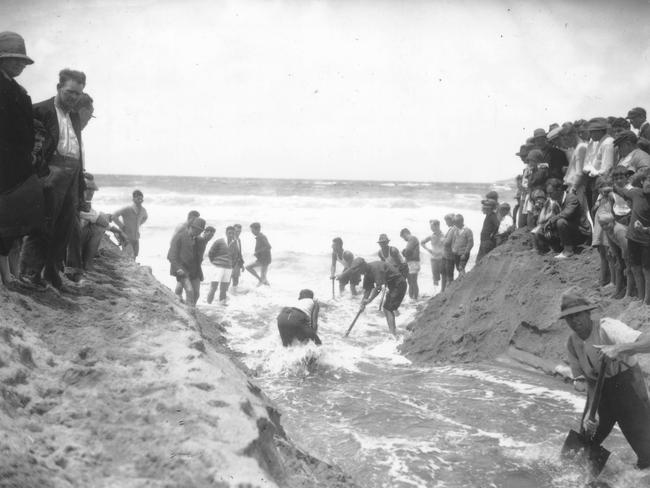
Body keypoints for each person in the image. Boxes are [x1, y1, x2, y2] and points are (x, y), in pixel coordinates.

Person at [560, 289, 650, 470]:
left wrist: (618, 348)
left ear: (588, 313)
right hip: (601, 393)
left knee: (647, 452)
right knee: (584, 442)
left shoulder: (607, 327)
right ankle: (584, 477)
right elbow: (590, 382)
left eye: (578, 315)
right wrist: (589, 413)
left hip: (628, 389)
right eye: (569, 318)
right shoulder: (572, 343)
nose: (574, 321)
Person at [19, 68, 86, 289]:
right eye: (69, 92)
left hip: (72, 173)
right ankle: (30, 272)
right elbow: (27, 145)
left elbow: (78, 149)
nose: (73, 97)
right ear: (59, 88)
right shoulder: (40, 110)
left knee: (65, 225)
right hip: (50, 171)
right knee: (43, 223)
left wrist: (80, 185)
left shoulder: (74, 115)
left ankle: (52, 272)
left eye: (78, 94)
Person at [0, 32, 45, 287]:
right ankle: (6, 276)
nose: (20, 65)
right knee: (5, 220)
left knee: (14, 222)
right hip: (4, 163)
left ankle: (11, 274)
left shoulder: (19, 90)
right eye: (13, 59)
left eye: (22, 61)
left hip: (17, 164)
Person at [340, 258, 407, 337]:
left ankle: (393, 335)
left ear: (363, 265)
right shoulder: (367, 273)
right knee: (388, 308)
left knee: (388, 309)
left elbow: (379, 288)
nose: (358, 272)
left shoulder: (375, 269)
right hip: (392, 285)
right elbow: (367, 289)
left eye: (358, 270)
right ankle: (394, 331)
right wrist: (363, 303)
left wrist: (369, 300)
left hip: (399, 284)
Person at [612, 169, 650, 304]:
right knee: (635, 268)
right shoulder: (635, 193)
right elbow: (621, 191)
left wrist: (645, 229)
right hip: (633, 238)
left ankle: (646, 301)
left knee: (647, 270)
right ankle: (640, 298)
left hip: (647, 242)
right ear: (642, 181)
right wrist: (611, 186)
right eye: (648, 181)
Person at [545, 178, 592, 259]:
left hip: (582, 233)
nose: (549, 196)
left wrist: (551, 221)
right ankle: (556, 248)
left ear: (559, 190)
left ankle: (568, 250)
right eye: (548, 193)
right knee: (547, 228)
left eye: (551, 193)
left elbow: (567, 214)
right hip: (572, 231)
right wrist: (549, 226)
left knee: (560, 222)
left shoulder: (571, 198)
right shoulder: (555, 203)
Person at [167, 217, 206, 307]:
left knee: (196, 293)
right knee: (189, 291)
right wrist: (178, 268)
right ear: (192, 227)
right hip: (182, 269)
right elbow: (171, 256)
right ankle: (189, 312)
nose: (199, 233)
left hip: (195, 271)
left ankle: (191, 308)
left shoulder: (199, 240)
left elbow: (198, 257)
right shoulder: (179, 237)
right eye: (198, 231)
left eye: (201, 231)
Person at [583, 118, 615, 212]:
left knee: (599, 211)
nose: (590, 134)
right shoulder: (598, 142)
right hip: (595, 181)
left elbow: (607, 168)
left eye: (593, 132)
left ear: (601, 131)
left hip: (602, 182)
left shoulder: (607, 143)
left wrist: (592, 171)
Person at [598, 213, 632, 299]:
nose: (604, 227)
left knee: (629, 271)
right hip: (623, 251)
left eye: (606, 224)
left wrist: (626, 264)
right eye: (602, 225)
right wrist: (618, 260)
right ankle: (617, 290)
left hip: (633, 251)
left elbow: (626, 249)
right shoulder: (607, 230)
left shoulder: (618, 230)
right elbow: (613, 246)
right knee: (617, 267)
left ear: (613, 221)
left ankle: (628, 293)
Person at [112, 189, 148, 259]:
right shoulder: (127, 209)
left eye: (141, 199)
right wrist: (121, 225)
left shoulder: (143, 210)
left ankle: (132, 268)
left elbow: (145, 217)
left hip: (136, 237)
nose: (140, 201)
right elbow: (114, 216)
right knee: (128, 256)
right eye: (138, 199)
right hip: (126, 237)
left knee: (135, 255)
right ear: (133, 199)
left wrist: (139, 224)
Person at [206, 226, 235, 305]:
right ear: (226, 233)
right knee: (213, 287)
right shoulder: (219, 241)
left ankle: (221, 307)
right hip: (218, 267)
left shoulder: (234, 243)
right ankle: (208, 305)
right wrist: (215, 263)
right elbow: (210, 253)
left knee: (224, 289)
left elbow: (235, 256)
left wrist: (232, 266)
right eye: (229, 233)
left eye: (233, 233)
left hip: (228, 268)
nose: (231, 235)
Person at [245, 222, 271, 286]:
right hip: (263, 259)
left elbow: (268, 246)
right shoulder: (260, 236)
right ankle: (265, 286)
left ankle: (260, 283)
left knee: (248, 267)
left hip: (264, 260)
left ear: (257, 229)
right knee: (264, 278)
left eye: (252, 230)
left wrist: (257, 252)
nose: (252, 232)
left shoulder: (261, 237)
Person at [420, 220, 443, 287]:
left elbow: (449, 246)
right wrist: (428, 250)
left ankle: (443, 291)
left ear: (437, 226)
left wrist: (442, 251)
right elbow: (422, 242)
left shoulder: (444, 235)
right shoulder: (431, 236)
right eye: (431, 227)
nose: (431, 228)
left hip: (442, 258)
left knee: (444, 275)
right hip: (433, 258)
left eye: (432, 227)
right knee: (435, 277)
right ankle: (435, 292)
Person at [400, 228, 420, 299]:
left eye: (403, 237)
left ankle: (415, 299)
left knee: (413, 282)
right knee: (411, 282)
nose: (404, 239)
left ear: (405, 233)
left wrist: (404, 252)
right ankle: (412, 298)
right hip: (412, 262)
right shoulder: (413, 239)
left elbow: (408, 250)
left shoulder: (412, 238)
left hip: (413, 263)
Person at [441, 214, 458, 290]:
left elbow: (447, 242)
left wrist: (443, 240)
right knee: (446, 275)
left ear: (451, 220)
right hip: (448, 255)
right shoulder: (454, 228)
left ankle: (446, 292)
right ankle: (444, 291)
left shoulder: (453, 229)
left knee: (449, 276)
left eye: (446, 221)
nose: (446, 223)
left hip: (449, 256)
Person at [229, 223, 245, 291]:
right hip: (230, 263)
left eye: (239, 231)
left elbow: (239, 252)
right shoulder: (229, 239)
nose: (238, 233)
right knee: (227, 279)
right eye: (236, 231)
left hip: (237, 263)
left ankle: (234, 293)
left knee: (236, 279)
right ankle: (225, 294)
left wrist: (242, 264)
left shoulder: (239, 239)